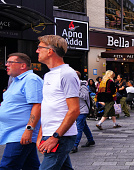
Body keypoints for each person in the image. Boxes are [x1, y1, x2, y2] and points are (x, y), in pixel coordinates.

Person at [36, 35, 81, 169]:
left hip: (60, 136)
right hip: (50, 134)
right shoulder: (49, 75)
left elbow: (74, 110)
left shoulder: (67, 73)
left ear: (50, 51)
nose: (37, 51)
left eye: (39, 48)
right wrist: (41, 134)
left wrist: (55, 136)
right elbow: (48, 107)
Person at [0, 53, 43, 169]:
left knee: (7, 166)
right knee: (30, 166)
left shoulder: (31, 79)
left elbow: (37, 106)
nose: (6, 65)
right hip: (13, 132)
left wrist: (29, 129)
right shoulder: (15, 81)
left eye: (10, 62)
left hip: (20, 133)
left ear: (23, 65)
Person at [72, 71, 95, 153]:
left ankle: (74, 145)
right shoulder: (74, 86)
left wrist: (74, 91)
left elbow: (84, 96)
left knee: (79, 128)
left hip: (83, 110)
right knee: (83, 126)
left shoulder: (83, 86)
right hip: (77, 110)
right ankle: (90, 139)